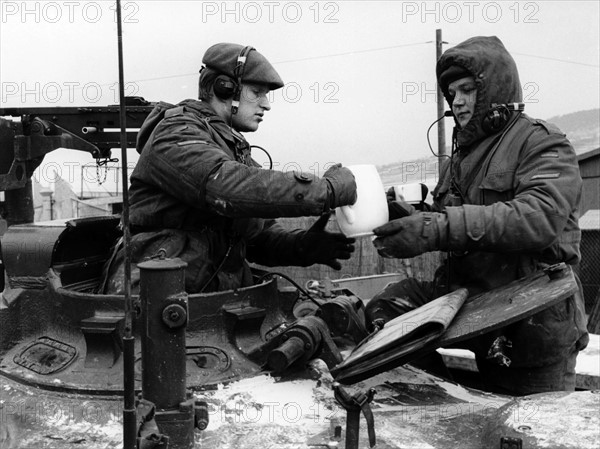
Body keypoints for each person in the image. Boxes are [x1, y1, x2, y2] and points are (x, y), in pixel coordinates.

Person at [365, 36, 589, 395]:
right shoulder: (461, 158)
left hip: (530, 320)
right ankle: (448, 399)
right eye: (452, 93)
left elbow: (539, 218)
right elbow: (448, 218)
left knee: (529, 431)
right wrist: (407, 215)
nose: (457, 101)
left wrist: (436, 227)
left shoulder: (542, 142)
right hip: (475, 308)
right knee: (386, 309)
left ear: (495, 91)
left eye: (467, 90)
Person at [104, 43, 357, 294]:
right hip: (154, 303)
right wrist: (325, 191)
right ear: (224, 89)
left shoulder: (226, 146)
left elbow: (254, 235)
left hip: (210, 300)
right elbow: (226, 187)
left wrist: (300, 246)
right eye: (256, 92)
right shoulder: (176, 133)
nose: (266, 104)